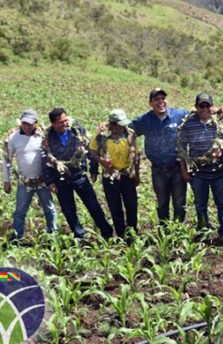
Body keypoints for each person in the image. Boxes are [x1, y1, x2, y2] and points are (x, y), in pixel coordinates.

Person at [41, 107, 113, 240]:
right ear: (53, 124)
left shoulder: (76, 130)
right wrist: (49, 181)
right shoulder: (47, 138)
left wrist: (93, 169)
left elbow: (89, 147)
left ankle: (107, 233)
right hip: (61, 179)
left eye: (66, 120)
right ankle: (79, 235)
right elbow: (44, 159)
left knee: (93, 206)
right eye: (61, 122)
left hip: (79, 175)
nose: (65, 124)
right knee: (69, 210)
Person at [178, 93, 223, 237]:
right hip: (198, 173)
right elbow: (181, 148)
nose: (204, 109)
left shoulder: (220, 122)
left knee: (222, 203)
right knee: (200, 204)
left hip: (219, 172)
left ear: (212, 107)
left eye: (207, 105)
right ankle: (204, 229)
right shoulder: (189, 124)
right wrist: (184, 171)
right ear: (196, 107)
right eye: (201, 106)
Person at [130, 88, 188, 223]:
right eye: (156, 99)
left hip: (178, 168)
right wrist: (108, 124)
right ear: (150, 103)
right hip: (158, 170)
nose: (161, 102)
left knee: (180, 203)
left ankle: (179, 230)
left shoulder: (179, 115)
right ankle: (164, 230)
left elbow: (199, 115)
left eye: (163, 98)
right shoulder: (145, 120)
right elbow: (127, 129)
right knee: (162, 203)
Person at [2, 109, 57, 241]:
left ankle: (53, 235)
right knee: (20, 211)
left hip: (42, 180)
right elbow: (7, 158)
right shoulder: (14, 137)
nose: (26, 126)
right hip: (25, 181)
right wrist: (6, 180)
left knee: (49, 208)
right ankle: (17, 237)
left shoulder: (42, 136)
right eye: (24, 123)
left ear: (36, 123)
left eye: (29, 124)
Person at [89, 109, 140, 239]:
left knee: (132, 205)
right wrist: (101, 161)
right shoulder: (101, 136)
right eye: (119, 124)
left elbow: (136, 156)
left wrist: (137, 174)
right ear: (112, 124)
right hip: (109, 175)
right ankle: (121, 234)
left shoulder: (130, 135)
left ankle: (132, 233)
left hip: (127, 175)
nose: (122, 127)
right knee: (115, 206)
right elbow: (92, 150)